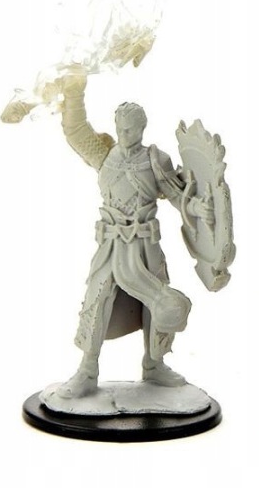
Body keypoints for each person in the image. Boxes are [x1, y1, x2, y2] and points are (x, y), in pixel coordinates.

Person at [53, 68, 213, 398]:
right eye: (120, 128)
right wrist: (74, 93)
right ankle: (87, 370)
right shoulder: (104, 154)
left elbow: (176, 194)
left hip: (144, 245)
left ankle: (154, 364)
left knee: (156, 303)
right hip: (111, 246)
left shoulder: (155, 160)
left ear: (142, 128)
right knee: (98, 300)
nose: (124, 134)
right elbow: (76, 130)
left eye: (130, 129)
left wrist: (197, 209)